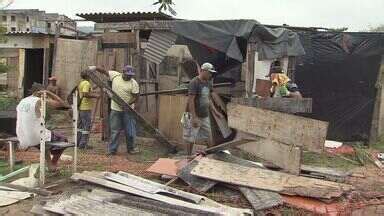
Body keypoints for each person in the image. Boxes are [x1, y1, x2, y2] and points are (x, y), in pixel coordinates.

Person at [16, 84, 70, 171]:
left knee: (44, 139)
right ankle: (53, 163)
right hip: (35, 137)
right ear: (39, 92)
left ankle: (50, 166)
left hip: (22, 136)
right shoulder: (38, 100)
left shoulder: (23, 101)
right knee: (63, 139)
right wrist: (49, 93)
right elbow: (63, 104)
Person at [89, 65, 140, 156]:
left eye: (131, 75)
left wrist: (127, 104)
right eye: (127, 74)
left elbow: (136, 98)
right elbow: (104, 71)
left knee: (130, 131)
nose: (129, 76)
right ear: (123, 72)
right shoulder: (115, 75)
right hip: (115, 110)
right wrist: (96, 67)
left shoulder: (134, 83)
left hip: (128, 111)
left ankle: (131, 149)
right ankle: (112, 150)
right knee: (115, 131)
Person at [186, 62, 224, 155]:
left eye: (211, 73)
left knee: (208, 136)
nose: (210, 74)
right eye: (209, 72)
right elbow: (191, 100)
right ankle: (188, 156)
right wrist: (194, 117)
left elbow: (208, 98)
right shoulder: (194, 82)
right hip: (194, 115)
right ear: (203, 71)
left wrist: (215, 111)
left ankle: (211, 157)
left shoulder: (208, 83)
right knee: (191, 137)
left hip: (204, 115)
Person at [77, 70, 99, 149]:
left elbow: (89, 90)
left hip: (81, 107)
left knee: (80, 126)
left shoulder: (82, 83)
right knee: (86, 126)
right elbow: (86, 94)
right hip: (86, 107)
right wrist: (95, 96)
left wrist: (97, 87)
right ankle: (83, 144)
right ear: (88, 76)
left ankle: (78, 142)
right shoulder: (86, 83)